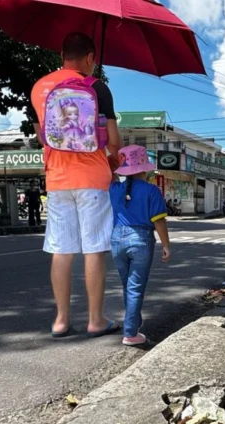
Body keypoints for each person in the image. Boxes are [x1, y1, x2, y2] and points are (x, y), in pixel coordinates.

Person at [31, 32, 123, 339]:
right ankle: (96, 319)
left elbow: (42, 135)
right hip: (93, 179)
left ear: (61, 55)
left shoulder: (39, 87)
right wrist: (114, 161)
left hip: (56, 179)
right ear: (90, 58)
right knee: (94, 248)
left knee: (61, 249)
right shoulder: (97, 87)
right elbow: (113, 142)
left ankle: (60, 320)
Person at [108, 145, 171, 347]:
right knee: (135, 288)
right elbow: (159, 220)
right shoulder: (152, 190)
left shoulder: (115, 188)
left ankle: (134, 322)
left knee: (128, 286)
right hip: (141, 239)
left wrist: (113, 161)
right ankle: (130, 333)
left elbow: (109, 169)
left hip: (117, 239)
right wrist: (166, 245)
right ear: (144, 168)